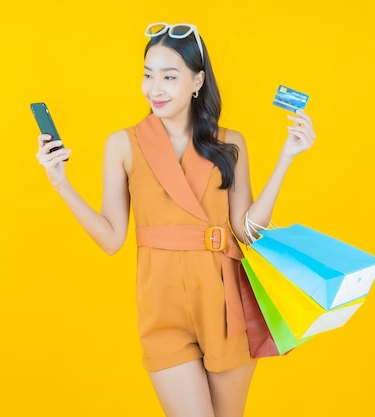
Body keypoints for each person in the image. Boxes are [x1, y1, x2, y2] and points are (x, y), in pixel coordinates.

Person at [36, 22, 316, 417]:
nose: (156, 88)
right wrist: (60, 183)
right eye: (148, 76)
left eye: (170, 76)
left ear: (197, 81)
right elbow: (112, 239)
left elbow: (247, 230)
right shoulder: (123, 144)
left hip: (225, 304)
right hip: (162, 307)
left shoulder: (229, 143)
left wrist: (286, 158)